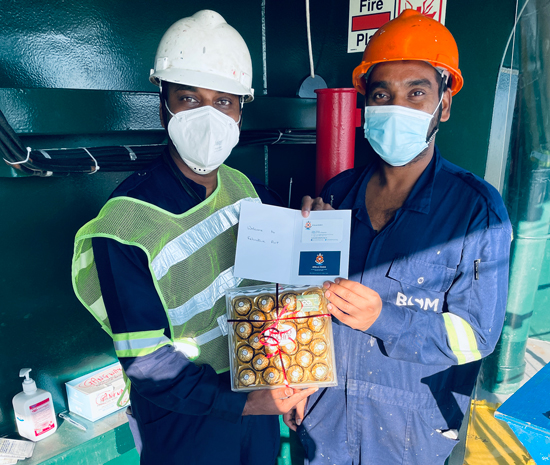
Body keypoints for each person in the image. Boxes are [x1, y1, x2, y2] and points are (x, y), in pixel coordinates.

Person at [71, 10, 315, 465]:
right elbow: (147, 362)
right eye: (189, 98)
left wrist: (309, 229)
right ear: (162, 102)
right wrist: (247, 403)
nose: (208, 116)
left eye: (223, 102)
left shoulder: (245, 191)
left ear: (241, 110)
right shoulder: (125, 225)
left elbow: (274, 294)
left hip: (255, 393)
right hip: (182, 419)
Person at [287, 9, 512, 465]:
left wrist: (384, 318)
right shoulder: (338, 193)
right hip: (324, 420)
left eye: (416, 92)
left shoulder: (477, 212)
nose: (397, 107)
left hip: (408, 435)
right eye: (382, 94)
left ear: (443, 106)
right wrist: (297, 375)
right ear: (366, 106)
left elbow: (477, 336)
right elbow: (309, 300)